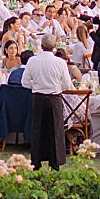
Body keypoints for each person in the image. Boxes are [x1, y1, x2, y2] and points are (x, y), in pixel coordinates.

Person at [21, 35, 74, 169]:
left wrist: (38, 86)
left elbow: (25, 82)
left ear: (41, 46)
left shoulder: (33, 61)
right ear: (54, 47)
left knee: (38, 129)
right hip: (54, 97)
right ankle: (55, 162)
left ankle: (36, 161)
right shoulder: (60, 63)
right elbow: (67, 84)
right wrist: (55, 88)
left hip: (38, 97)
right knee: (55, 129)